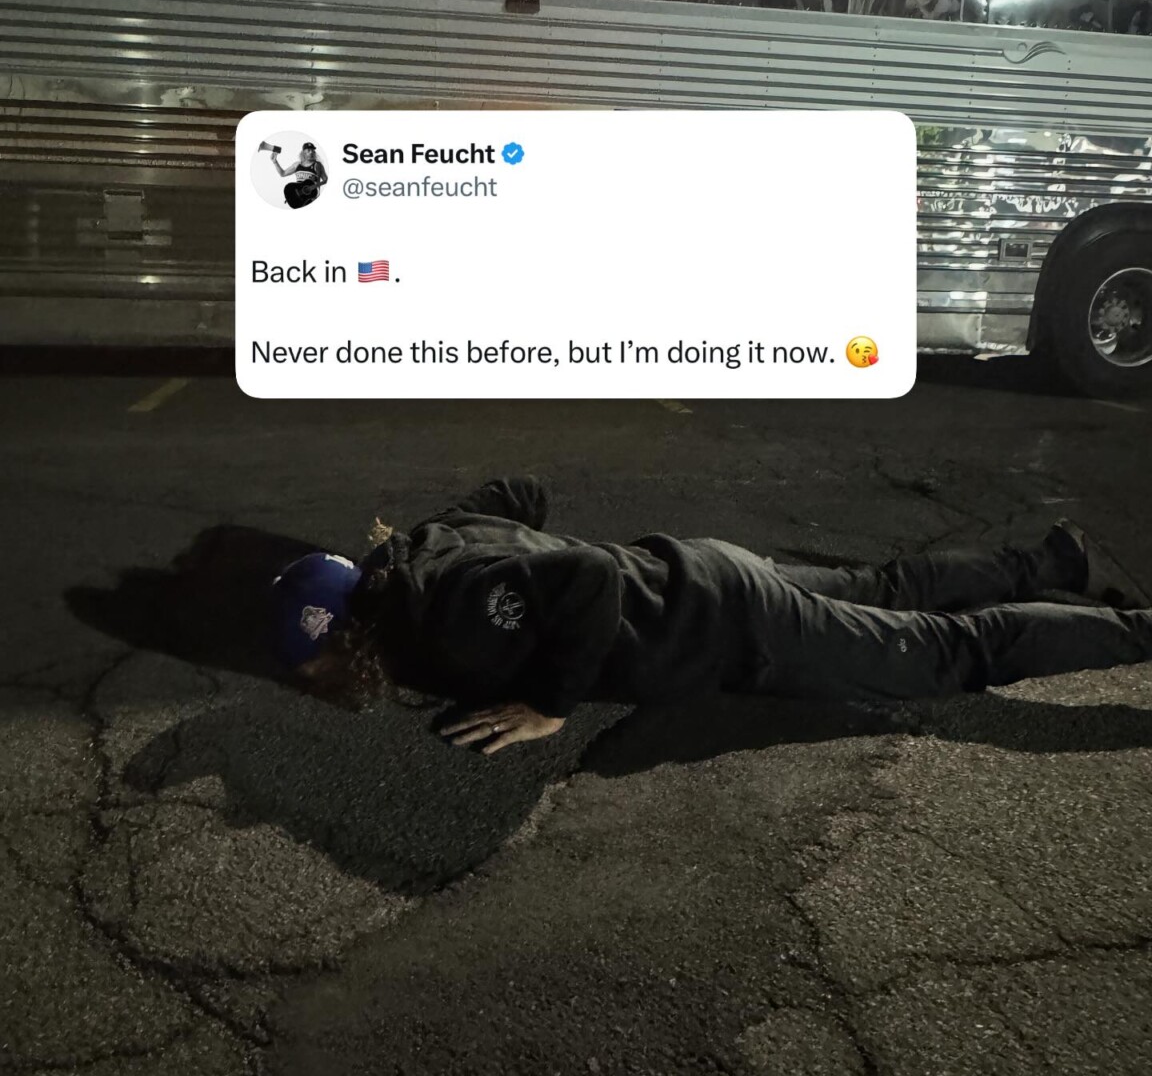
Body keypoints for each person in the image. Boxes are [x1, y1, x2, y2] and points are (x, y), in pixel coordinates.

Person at [274, 477, 1152, 755]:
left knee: (949, 654)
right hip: (700, 567)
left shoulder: (443, 621)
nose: (312, 685)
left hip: (731, 625)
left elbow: (586, 578)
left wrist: (548, 704)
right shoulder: (422, 549)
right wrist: (517, 551)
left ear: (343, 635)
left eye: (310, 670)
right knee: (886, 585)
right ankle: (1057, 560)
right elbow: (520, 493)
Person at [271, 142, 327, 208]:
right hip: (299, 198)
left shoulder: (317, 165)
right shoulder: (297, 165)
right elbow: (282, 173)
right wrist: (275, 162)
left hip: (311, 198)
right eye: (308, 150)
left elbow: (325, 180)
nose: (311, 152)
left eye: (312, 150)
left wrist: (315, 187)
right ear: (303, 152)